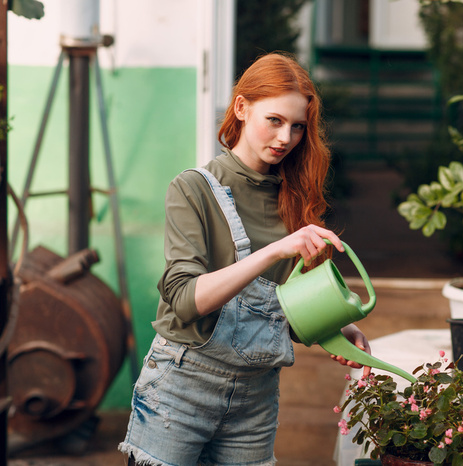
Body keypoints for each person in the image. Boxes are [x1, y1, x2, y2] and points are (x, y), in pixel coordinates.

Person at [119, 52, 371, 466]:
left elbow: (277, 311)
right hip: (182, 390)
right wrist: (276, 249)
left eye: (297, 127)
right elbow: (185, 301)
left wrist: (335, 325)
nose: (286, 138)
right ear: (241, 107)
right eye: (274, 120)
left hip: (256, 400)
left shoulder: (292, 199)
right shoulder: (193, 189)